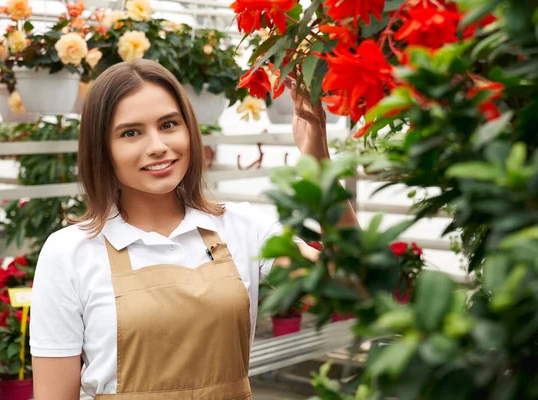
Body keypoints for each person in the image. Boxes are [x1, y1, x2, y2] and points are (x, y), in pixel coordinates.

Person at [29, 60, 358, 399]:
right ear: (103, 150)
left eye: (168, 124)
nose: (157, 145)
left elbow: (350, 282)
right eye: (131, 132)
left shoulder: (242, 228)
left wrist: (319, 163)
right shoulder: (69, 252)